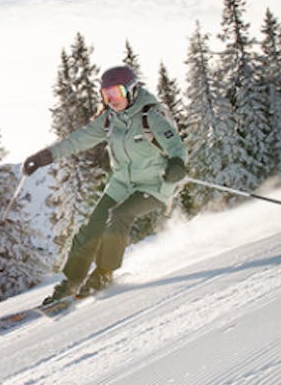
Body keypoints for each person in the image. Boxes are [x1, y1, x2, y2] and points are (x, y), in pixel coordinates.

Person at [22, 65, 188, 305]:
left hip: (154, 184)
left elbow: (176, 146)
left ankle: (103, 273)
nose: (112, 100)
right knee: (90, 228)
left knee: (119, 216)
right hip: (122, 184)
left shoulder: (151, 115)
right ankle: (72, 281)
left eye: (117, 93)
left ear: (131, 90)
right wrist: (44, 157)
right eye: (106, 94)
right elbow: (77, 140)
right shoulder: (110, 119)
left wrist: (177, 164)